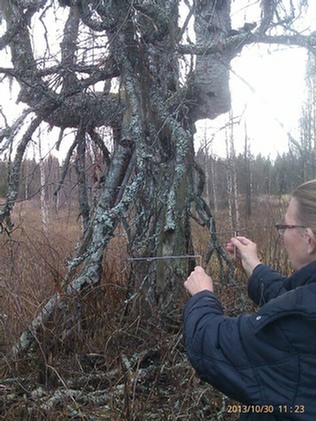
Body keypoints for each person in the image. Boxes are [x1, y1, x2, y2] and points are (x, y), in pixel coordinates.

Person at [183, 179, 316, 420]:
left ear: (308, 239)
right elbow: (292, 296)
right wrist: (254, 266)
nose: (283, 235)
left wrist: (202, 296)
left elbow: (212, 345)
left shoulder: (299, 320)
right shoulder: (306, 301)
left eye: (285, 227)